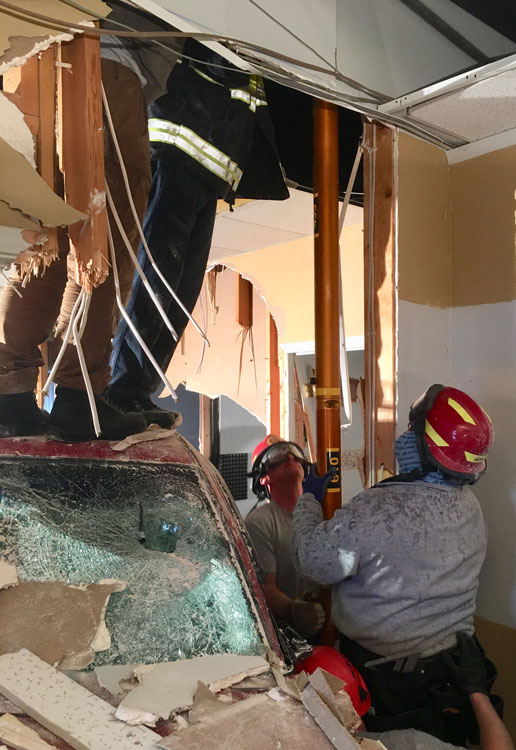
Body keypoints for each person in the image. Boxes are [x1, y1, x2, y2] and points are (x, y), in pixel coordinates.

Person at [0, 2, 179, 441]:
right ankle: (79, 397)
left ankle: (9, 395)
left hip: (30, 69)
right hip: (108, 65)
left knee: (41, 243)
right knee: (101, 241)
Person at [292, 384, 500, 745]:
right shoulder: (470, 507)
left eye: (410, 429)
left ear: (423, 445)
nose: (403, 437)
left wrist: (308, 499)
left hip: (390, 685)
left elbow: (312, 560)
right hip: (458, 676)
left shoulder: (378, 510)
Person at [107, 39, 289, 426]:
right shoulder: (225, 22)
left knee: (182, 290)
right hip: (177, 152)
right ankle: (120, 388)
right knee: (157, 279)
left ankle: (137, 390)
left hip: (210, 172)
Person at [245, 435, 325, 639]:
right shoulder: (259, 522)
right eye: (277, 456)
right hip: (289, 638)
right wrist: (293, 611)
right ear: (263, 478)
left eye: (295, 454)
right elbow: (264, 588)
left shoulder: (324, 511)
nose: (290, 457)